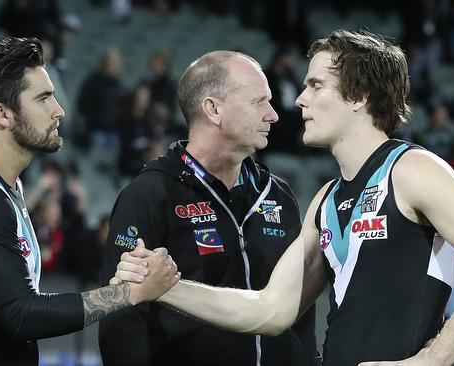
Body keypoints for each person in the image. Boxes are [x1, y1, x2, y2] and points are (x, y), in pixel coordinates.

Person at [114, 30, 454, 366]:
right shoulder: (326, 199)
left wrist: (433, 360)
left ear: (359, 95)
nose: (298, 100)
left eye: (316, 85)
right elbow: (270, 310)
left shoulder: (412, 169)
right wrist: (166, 287)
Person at [0, 37, 179, 365]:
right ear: (2, 114)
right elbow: (23, 314)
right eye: (43, 98)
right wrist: (129, 293)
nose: (59, 110)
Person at [100, 50, 319, 366]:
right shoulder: (150, 193)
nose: (273, 115)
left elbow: (301, 307)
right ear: (213, 109)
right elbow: (121, 315)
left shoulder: (278, 195)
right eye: (259, 102)